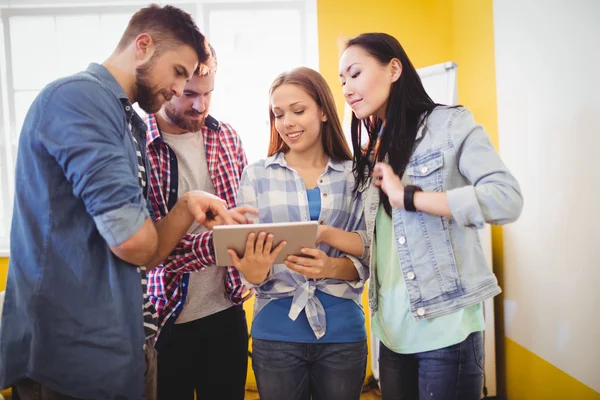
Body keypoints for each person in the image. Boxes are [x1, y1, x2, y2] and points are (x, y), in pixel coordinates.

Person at [0, 5, 243, 399]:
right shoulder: (79, 100)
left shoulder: (123, 118)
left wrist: (188, 204)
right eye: (179, 72)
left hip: (124, 343)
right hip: (70, 355)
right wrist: (151, 237)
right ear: (143, 46)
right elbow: (134, 243)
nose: (181, 91)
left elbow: (146, 254)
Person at [327, 32, 524, 400]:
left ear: (394, 68)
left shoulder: (450, 125)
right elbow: (379, 246)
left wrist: (412, 197)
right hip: (390, 333)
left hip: (445, 328)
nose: (347, 89)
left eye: (355, 74)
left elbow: (506, 199)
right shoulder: (372, 151)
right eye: (342, 81)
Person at [229, 67, 369, 400]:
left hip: (343, 334)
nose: (287, 122)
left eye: (298, 110)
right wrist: (251, 269)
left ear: (323, 111)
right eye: (278, 114)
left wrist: (331, 267)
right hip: (276, 334)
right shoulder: (256, 175)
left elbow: (369, 252)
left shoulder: (355, 175)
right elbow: (249, 268)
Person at [145, 44, 253, 400]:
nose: (201, 106)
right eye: (190, 94)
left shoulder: (228, 137)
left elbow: (241, 219)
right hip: (163, 317)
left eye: (209, 94)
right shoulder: (139, 146)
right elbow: (150, 246)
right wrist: (219, 244)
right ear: (167, 85)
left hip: (226, 311)